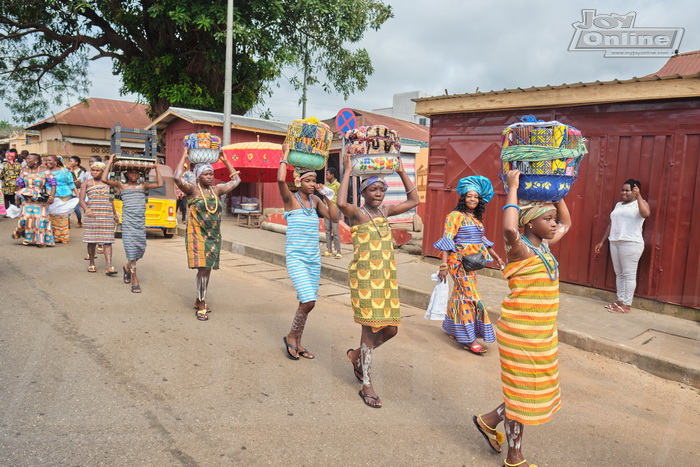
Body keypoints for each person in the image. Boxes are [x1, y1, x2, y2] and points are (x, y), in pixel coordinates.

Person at [472, 169, 571, 467]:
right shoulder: (521, 249)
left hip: (542, 333)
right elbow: (509, 229)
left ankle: (488, 421)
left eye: (552, 219)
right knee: (521, 391)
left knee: (532, 389)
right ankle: (514, 457)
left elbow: (568, 222)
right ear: (530, 222)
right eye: (547, 219)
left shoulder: (545, 248)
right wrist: (513, 188)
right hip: (520, 332)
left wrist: (558, 194)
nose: (554, 224)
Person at [338, 153, 420, 408]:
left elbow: (414, 199)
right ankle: (367, 384)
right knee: (369, 330)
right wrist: (349, 170)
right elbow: (341, 203)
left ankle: (357, 357)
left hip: (385, 281)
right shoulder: (357, 214)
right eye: (373, 189)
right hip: (364, 280)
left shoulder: (385, 211)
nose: (378, 193)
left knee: (391, 329)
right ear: (363, 192)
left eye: (381, 189)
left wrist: (401, 171)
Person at [277, 145, 340, 360]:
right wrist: (285, 155)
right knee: (308, 301)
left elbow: (334, 218)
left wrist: (327, 196)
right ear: (298, 181)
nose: (312, 185)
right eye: (308, 181)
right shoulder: (290, 200)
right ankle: (291, 337)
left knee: (308, 303)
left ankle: (297, 340)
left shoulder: (315, 202)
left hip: (313, 260)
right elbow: (279, 180)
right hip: (296, 258)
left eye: (314, 181)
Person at [434, 176, 505, 355]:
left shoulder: (476, 220)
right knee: (471, 298)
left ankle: (452, 328)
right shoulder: (455, 216)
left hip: (472, 264)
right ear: (463, 198)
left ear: (479, 200)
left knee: (459, 295)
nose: (472, 199)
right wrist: (443, 266)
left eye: (475, 197)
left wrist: (497, 258)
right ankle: (469, 339)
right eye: (469, 196)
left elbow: (483, 242)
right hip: (458, 263)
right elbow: (447, 240)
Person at [174, 149, 241, 321]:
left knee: (207, 269)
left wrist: (226, 161)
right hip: (197, 235)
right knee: (203, 269)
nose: (210, 177)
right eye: (206, 174)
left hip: (213, 236)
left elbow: (237, 180)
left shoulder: (217, 190)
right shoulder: (192, 190)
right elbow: (176, 178)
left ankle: (198, 300)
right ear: (198, 176)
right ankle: (202, 303)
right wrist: (184, 156)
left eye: (211, 174)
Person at [102, 157, 163, 293]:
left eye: (136, 173)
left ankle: (127, 266)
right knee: (131, 250)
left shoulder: (143, 186)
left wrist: (157, 167)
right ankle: (135, 278)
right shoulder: (121, 185)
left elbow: (160, 183)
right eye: (131, 173)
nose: (134, 175)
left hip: (140, 223)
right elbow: (104, 179)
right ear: (127, 174)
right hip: (129, 223)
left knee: (140, 249)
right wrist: (110, 162)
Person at [594, 179, 651, 313]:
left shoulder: (640, 204)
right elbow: (611, 224)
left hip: (631, 243)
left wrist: (639, 197)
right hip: (615, 241)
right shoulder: (619, 205)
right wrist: (602, 242)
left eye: (627, 190)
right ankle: (620, 301)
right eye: (623, 190)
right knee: (619, 274)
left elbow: (646, 214)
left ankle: (626, 305)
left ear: (635, 191)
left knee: (628, 275)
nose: (624, 193)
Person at [79, 161, 118, 274]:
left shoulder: (109, 184)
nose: (95, 172)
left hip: (106, 215)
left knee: (108, 241)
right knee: (91, 241)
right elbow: (81, 200)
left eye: (98, 170)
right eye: (93, 170)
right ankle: (91, 263)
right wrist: (87, 210)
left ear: (103, 171)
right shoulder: (86, 183)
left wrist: (115, 215)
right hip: (92, 216)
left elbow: (111, 200)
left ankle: (109, 266)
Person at [12, 154, 56, 246]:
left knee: (41, 219)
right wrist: (17, 197)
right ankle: (28, 238)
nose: (26, 160)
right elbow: (19, 184)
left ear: (36, 161)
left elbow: (53, 184)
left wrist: (52, 196)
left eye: (29, 159)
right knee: (26, 218)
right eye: (26, 158)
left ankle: (41, 240)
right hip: (26, 199)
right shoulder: (23, 171)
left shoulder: (45, 171)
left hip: (40, 199)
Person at [44, 154, 77, 243]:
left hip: (64, 195)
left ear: (56, 161)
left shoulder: (64, 171)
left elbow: (71, 183)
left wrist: (78, 195)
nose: (48, 162)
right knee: (51, 217)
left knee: (62, 216)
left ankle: (62, 237)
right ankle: (53, 236)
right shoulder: (44, 172)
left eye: (50, 160)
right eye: (46, 160)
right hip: (50, 196)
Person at [320, 167, 342, 259]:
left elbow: (341, 198)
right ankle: (329, 249)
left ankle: (338, 251)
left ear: (332, 175)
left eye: (327, 174)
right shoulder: (326, 185)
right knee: (327, 230)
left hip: (335, 209)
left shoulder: (338, 185)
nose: (326, 176)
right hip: (326, 209)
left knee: (335, 231)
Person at [67, 156, 86, 227]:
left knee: (76, 208)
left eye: (71, 161)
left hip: (77, 192)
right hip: (68, 192)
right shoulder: (67, 171)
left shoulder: (81, 172)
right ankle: (67, 223)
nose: (70, 163)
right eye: (70, 161)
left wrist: (72, 174)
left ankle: (79, 221)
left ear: (76, 162)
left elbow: (78, 184)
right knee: (67, 208)